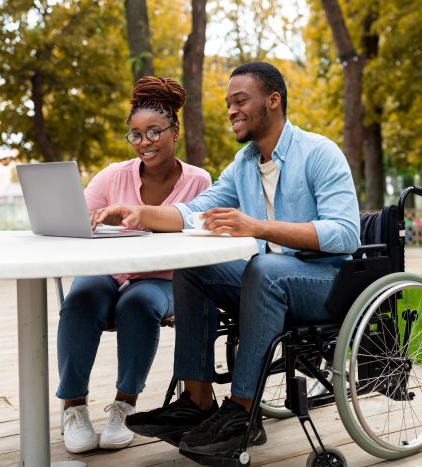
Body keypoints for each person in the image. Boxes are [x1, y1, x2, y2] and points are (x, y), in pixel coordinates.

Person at [92, 62, 360, 456]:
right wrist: (135, 211)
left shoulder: (319, 152)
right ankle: (197, 401)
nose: (231, 111)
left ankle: (243, 412)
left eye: (240, 101)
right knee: (194, 263)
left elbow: (345, 233)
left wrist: (258, 228)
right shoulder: (244, 165)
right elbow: (193, 211)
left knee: (264, 267)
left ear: (273, 100)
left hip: (325, 282)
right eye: (227, 104)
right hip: (267, 280)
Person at [57, 76, 212, 453]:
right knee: (82, 298)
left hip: (162, 279)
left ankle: (124, 407)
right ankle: (74, 408)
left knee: (138, 304)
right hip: (111, 270)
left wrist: (143, 218)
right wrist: (96, 220)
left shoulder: (198, 181)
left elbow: (201, 234)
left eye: (154, 132)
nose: (145, 142)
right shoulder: (113, 175)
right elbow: (75, 219)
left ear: (175, 130)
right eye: (136, 135)